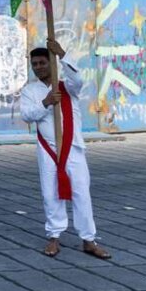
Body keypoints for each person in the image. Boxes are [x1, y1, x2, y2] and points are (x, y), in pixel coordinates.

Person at [20, 40, 113, 260]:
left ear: (50, 63)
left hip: (73, 148)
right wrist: (45, 103)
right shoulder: (30, 91)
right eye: (35, 64)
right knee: (50, 193)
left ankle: (88, 239)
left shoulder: (67, 87)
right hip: (48, 150)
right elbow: (27, 115)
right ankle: (54, 236)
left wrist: (62, 55)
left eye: (43, 62)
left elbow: (78, 79)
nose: (39, 67)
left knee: (81, 193)